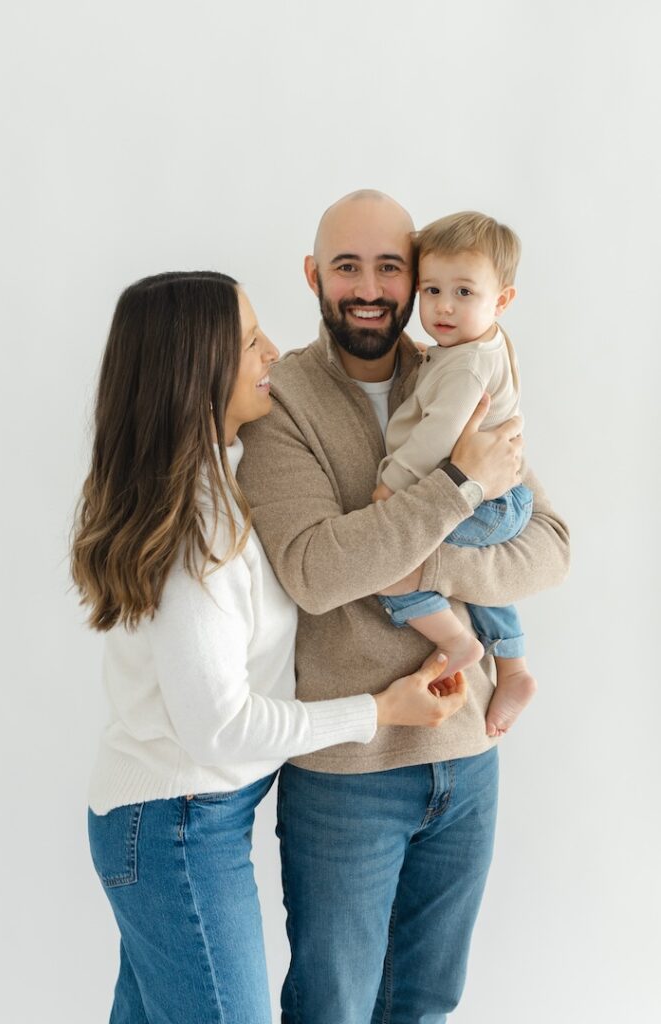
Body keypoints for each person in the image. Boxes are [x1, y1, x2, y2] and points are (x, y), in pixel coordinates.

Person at [70, 270, 468, 1024]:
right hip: (174, 824)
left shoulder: (212, 487)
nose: (274, 352)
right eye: (251, 341)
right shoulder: (198, 530)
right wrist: (376, 711)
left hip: (178, 817)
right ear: (199, 370)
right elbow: (217, 727)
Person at [238, 191, 570, 1023]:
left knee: (425, 1002)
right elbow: (315, 571)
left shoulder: (461, 369)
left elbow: (550, 543)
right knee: (334, 1007)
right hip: (348, 772)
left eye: (391, 266)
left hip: (469, 757)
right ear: (315, 276)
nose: (370, 286)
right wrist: (459, 488)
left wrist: (409, 556)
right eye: (346, 265)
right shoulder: (280, 407)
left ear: (417, 278)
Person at [373, 210, 537, 738]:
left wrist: (393, 484)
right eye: (432, 289)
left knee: (388, 560)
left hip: (488, 500)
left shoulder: (465, 366)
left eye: (464, 292)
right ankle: (511, 665)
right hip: (502, 495)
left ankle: (457, 642)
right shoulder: (470, 348)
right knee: (476, 570)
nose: (443, 306)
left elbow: (437, 436)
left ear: (502, 300)